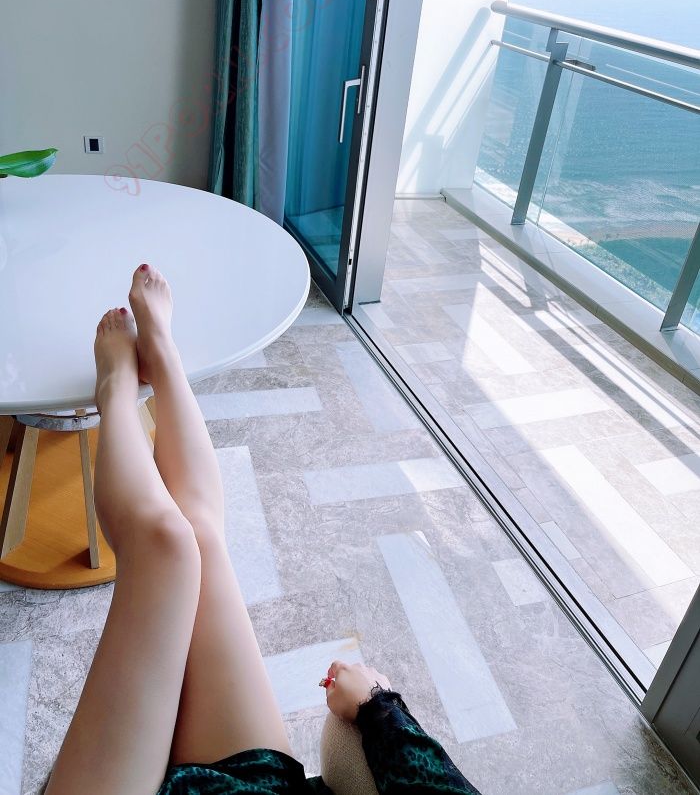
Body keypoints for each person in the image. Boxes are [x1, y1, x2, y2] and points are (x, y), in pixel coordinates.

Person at [45, 265, 482, 795]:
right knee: (198, 535)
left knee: (163, 547)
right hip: (258, 789)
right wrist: (377, 708)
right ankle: (163, 357)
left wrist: (381, 708)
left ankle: (115, 391)